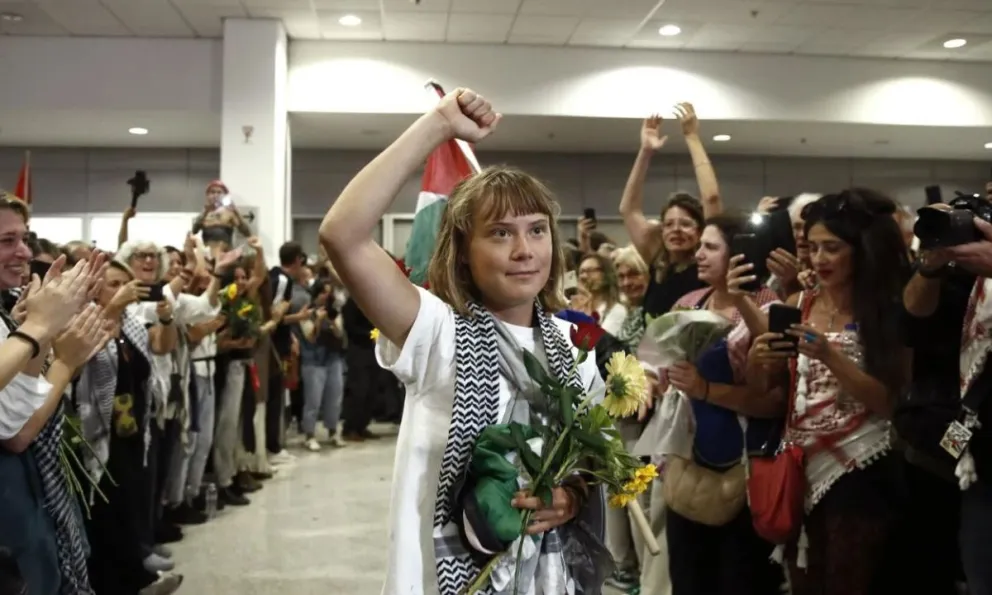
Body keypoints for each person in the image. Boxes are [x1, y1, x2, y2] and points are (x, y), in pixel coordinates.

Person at [320, 89, 605, 595]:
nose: (524, 250)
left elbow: (590, 460)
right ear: (464, 252)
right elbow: (342, 235)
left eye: (537, 230)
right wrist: (439, 124)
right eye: (500, 233)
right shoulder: (435, 329)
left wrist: (572, 497)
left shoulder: (573, 346)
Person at [192, 181, 252, 257]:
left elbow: (247, 232)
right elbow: (194, 231)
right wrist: (205, 212)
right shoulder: (204, 214)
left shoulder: (229, 212)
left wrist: (236, 211)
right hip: (208, 255)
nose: (216, 195)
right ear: (207, 195)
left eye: (219, 192)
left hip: (225, 255)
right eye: (212, 192)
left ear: (225, 195)